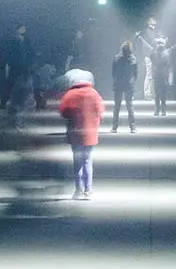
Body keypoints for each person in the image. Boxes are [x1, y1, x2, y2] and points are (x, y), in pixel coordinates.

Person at [55, 68, 105, 200]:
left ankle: (78, 190)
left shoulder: (70, 95)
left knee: (77, 161)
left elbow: (63, 112)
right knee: (88, 160)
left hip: (75, 133)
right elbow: (101, 111)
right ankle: (88, 190)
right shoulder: (94, 93)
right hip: (90, 133)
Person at [109, 41, 139, 135]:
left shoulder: (116, 58)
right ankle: (132, 127)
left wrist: (116, 79)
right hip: (129, 84)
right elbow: (136, 73)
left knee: (117, 106)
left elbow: (113, 72)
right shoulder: (133, 59)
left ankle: (114, 127)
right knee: (129, 105)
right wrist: (132, 80)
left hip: (118, 83)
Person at [5, 25, 35, 115]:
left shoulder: (27, 40)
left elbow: (30, 51)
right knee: (13, 84)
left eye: (24, 28)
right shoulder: (13, 40)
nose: (23, 30)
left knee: (26, 84)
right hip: (15, 66)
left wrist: (30, 63)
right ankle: (11, 103)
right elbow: (10, 53)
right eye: (21, 28)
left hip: (25, 66)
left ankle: (22, 101)